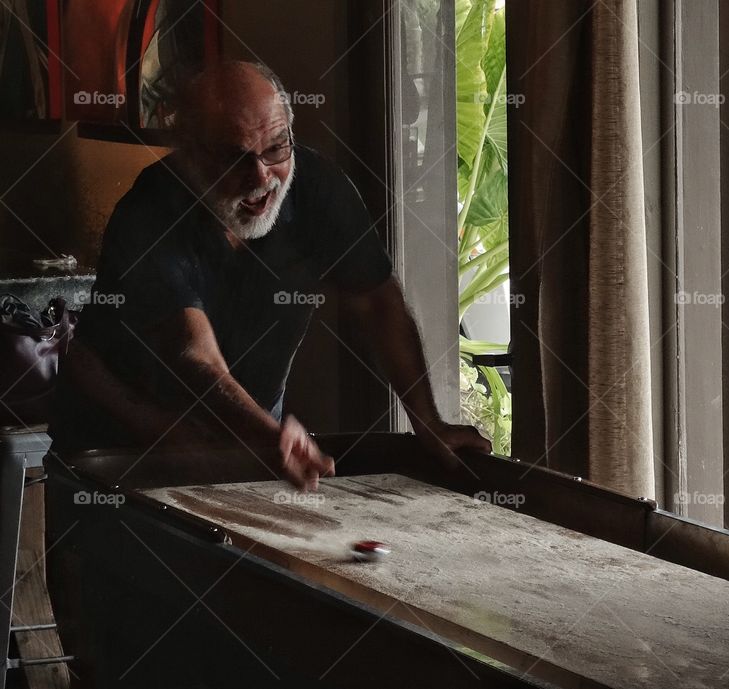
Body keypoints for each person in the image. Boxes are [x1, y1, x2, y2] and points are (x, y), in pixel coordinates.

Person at [50, 60, 490, 488]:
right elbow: (194, 356)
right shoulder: (149, 211)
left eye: (276, 148)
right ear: (189, 152)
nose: (261, 175)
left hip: (245, 434)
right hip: (117, 434)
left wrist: (428, 422)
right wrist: (271, 439)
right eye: (233, 157)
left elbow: (377, 301)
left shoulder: (319, 188)